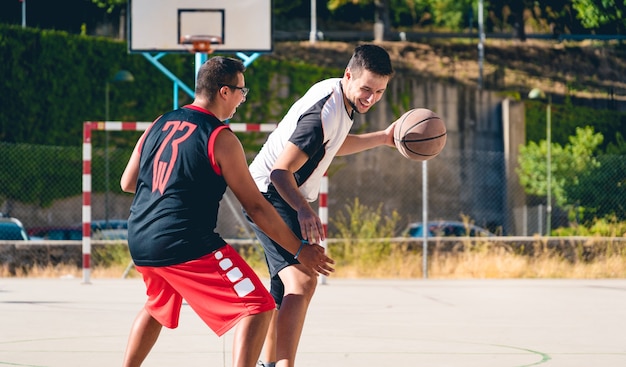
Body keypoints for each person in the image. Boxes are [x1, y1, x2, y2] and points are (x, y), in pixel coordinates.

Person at [119, 56, 335, 367]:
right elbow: (257, 207)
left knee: (156, 306)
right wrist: (300, 250)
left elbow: (128, 182)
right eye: (241, 92)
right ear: (224, 91)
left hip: (140, 237)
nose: (241, 100)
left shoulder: (159, 122)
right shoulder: (221, 137)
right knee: (258, 308)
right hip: (185, 242)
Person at [247, 44, 395, 367]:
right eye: (366, 89)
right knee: (302, 280)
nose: (371, 98)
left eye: (379, 92)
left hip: (276, 192)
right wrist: (303, 208)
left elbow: (334, 144)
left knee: (284, 289)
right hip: (270, 192)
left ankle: (267, 364)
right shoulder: (324, 112)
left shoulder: (342, 100)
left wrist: (383, 137)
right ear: (348, 76)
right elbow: (279, 172)